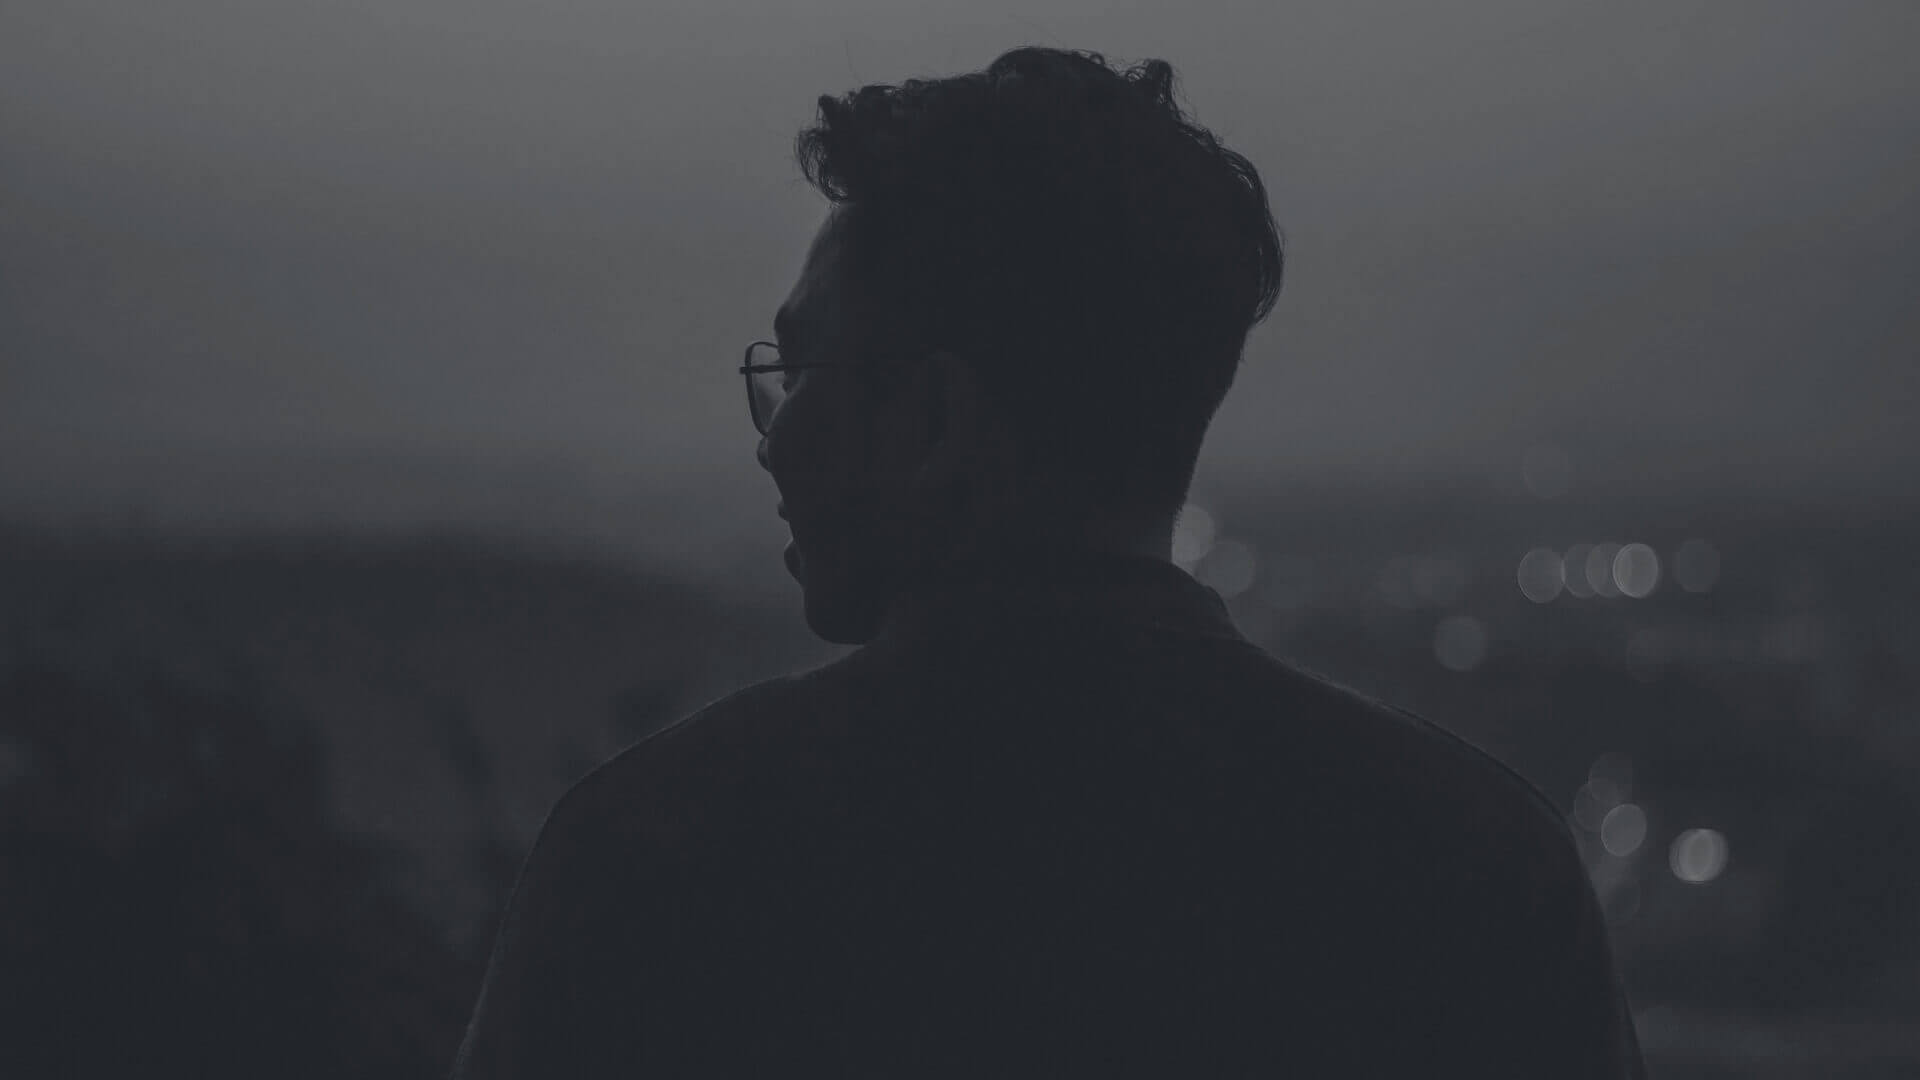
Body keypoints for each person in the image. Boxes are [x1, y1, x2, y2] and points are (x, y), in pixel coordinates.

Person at [450, 46, 1647, 1078]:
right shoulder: (1478, 869)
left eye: (803, 373)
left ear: (936, 423)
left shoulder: (664, 857)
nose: (775, 436)